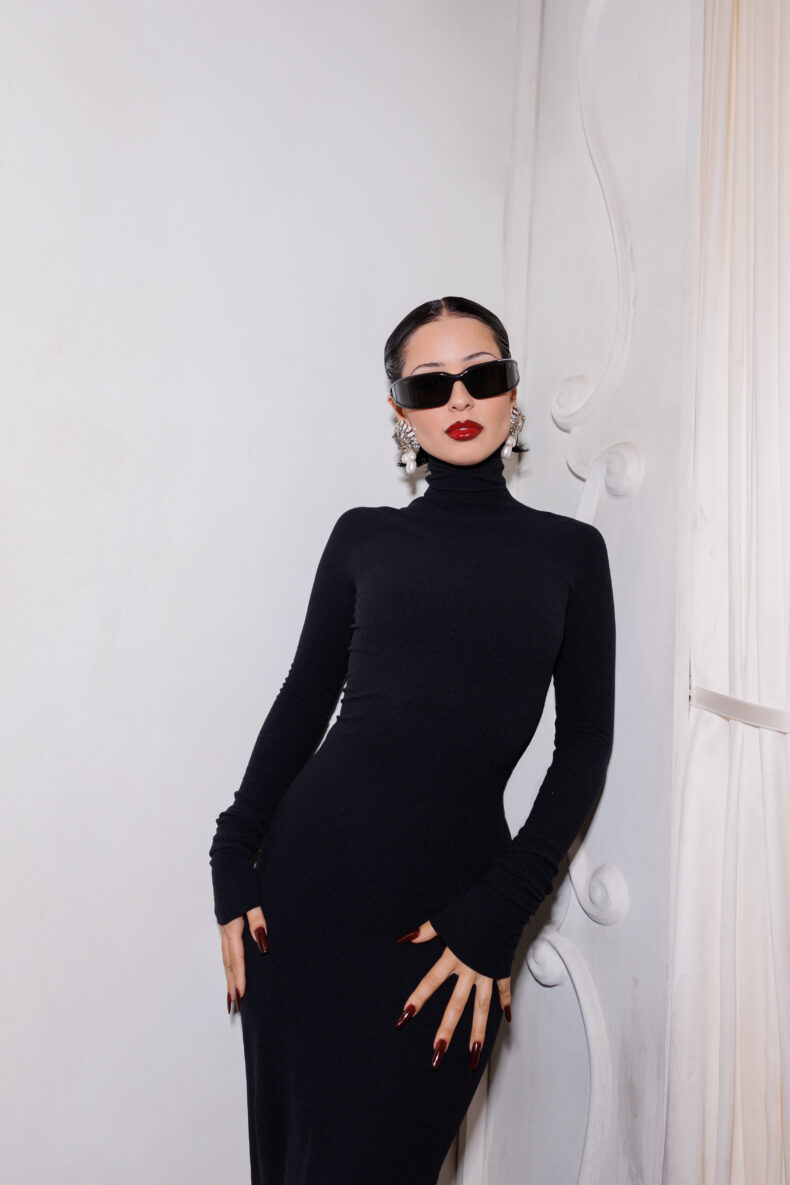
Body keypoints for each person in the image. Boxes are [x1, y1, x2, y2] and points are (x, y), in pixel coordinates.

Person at [209, 295, 616, 1185]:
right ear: (399, 409)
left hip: (457, 909)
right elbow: (304, 698)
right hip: (307, 896)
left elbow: (584, 746)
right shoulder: (364, 537)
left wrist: (501, 909)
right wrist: (232, 847)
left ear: (513, 389)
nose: (459, 398)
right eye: (430, 384)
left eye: (482, 374)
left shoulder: (572, 553)